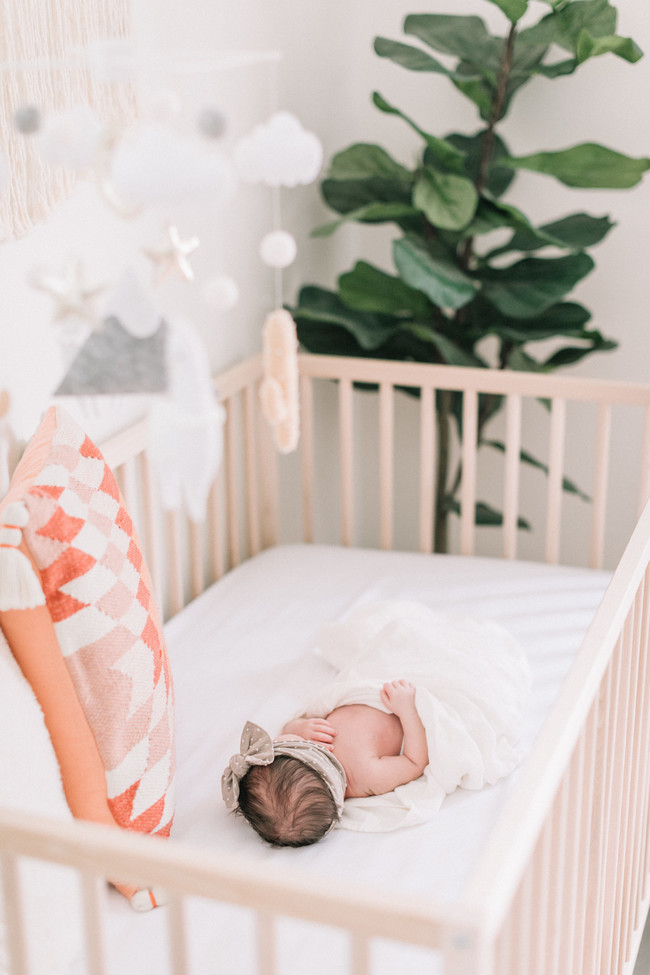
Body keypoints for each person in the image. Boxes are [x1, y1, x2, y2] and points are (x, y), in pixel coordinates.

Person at [221, 679, 429, 847]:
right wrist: (408, 708)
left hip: (362, 685)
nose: (280, 739)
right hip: (397, 697)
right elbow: (415, 762)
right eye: (285, 743)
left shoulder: (306, 751)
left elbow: (288, 728)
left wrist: (299, 727)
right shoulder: (366, 775)